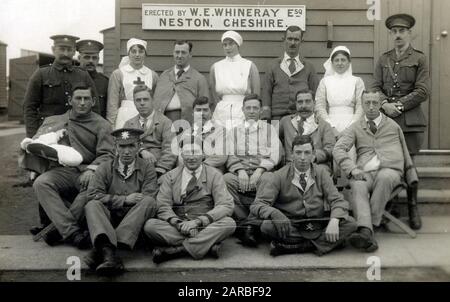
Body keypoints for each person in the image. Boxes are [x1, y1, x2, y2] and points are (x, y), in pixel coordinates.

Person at [29, 85, 115, 248]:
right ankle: (71, 233)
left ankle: (58, 230)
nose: (82, 103)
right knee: (41, 183)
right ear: (70, 101)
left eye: (86, 99)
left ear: (93, 102)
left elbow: (108, 154)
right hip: (62, 171)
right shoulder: (55, 121)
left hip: (89, 171)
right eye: (78, 98)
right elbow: (37, 144)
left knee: (91, 189)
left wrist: (91, 169)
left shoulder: (102, 124)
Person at [333, 91, 418, 252]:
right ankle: (367, 233)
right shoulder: (356, 127)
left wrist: (410, 173)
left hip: (391, 169)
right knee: (357, 185)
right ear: (362, 105)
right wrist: (352, 169)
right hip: (365, 171)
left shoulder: (393, 126)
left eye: (374, 103)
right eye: (367, 103)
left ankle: (366, 227)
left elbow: (405, 151)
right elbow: (338, 149)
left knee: (385, 177)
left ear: (380, 104)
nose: (371, 107)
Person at [251, 135, 357, 256]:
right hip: (291, 224)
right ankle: (325, 243)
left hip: (317, 222)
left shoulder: (321, 173)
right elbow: (257, 204)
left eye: (307, 153)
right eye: (298, 152)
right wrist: (274, 213)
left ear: (313, 155)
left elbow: (337, 200)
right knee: (267, 226)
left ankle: (295, 247)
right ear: (291, 155)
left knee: (350, 223)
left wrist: (334, 221)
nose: (302, 158)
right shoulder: (279, 175)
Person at [370, 14, 429, 230]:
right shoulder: (384, 59)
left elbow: (423, 91)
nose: (398, 35)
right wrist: (384, 104)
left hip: (410, 121)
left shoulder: (420, 59)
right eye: (394, 31)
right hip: (387, 121)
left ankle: (412, 207)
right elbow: (375, 86)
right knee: (389, 163)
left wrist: (399, 106)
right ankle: (391, 206)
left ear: (409, 33)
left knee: (409, 164)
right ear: (390, 34)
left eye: (402, 31)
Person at [144, 138, 236, 264]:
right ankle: (206, 245)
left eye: (195, 152)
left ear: (203, 154)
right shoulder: (171, 176)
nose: (191, 157)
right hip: (179, 226)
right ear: (181, 155)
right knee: (150, 226)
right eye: (187, 153)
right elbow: (163, 205)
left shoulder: (214, 175)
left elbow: (225, 205)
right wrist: (179, 224)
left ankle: (176, 251)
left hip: (204, 225)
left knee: (229, 223)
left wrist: (198, 222)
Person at [84, 128, 157, 276]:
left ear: (138, 147)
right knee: (92, 205)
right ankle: (110, 255)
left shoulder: (147, 167)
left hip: (134, 221)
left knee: (149, 201)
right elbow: (92, 195)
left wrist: (118, 201)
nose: (127, 151)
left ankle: (105, 249)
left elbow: (148, 195)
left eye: (131, 146)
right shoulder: (105, 167)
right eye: (122, 146)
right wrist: (123, 200)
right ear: (115, 147)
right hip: (109, 219)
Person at [223, 94, 282, 246]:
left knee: (270, 179)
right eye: (248, 108)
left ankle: (251, 225)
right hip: (240, 173)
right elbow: (229, 154)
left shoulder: (270, 130)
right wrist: (240, 171)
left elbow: (275, 154)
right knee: (226, 180)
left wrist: (260, 170)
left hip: (261, 174)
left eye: (255, 108)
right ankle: (245, 224)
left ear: (261, 111)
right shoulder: (234, 132)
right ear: (242, 110)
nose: (251, 111)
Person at [23, 34, 98, 138]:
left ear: (74, 51)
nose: (66, 54)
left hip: (77, 132)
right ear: (53, 50)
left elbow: (94, 107)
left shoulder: (83, 75)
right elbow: (29, 107)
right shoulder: (41, 74)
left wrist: (92, 132)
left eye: (69, 50)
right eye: (62, 49)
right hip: (48, 132)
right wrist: (32, 136)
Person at [261, 26, 320, 121]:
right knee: (274, 136)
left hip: (302, 117)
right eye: (290, 39)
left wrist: (314, 116)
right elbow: (266, 93)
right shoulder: (273, 66)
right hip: (276, 117)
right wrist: (266, 117)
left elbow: (316, 94)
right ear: (284, 39)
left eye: (296, 39)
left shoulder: (309, 67)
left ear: (301, 41)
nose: (292, 43)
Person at [123, 85, 177, 178]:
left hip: (158, 169)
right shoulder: (129, 124)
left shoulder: (165, 122)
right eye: (138, 100)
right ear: (134, 103)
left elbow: (171, 149)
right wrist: (141, 151)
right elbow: (123, 147)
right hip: (133, 169)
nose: (142, 103)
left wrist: (161, 169)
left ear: (152, 100)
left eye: (145, 99)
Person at [210, 31, 260, 129]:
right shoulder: (216, 67)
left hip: (242, 110)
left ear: (237, 45)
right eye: (225, 45)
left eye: (231, 44)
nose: (227, 47)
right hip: (221, 112)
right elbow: (213, 93)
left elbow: (256, 94)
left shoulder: (249, 65)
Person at [107, 38, 159, 129]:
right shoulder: (118, 74)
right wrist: (111, 125)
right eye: (134, 51)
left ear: (145, 54)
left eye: (141, 51)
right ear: (128, 53)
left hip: (147, 116)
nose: (137, 55)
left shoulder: (152, 75)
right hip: (125, 116)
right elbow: (112, 103)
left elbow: (156, 101)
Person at [154, 40, 210, 124]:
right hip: (164, 122)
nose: (179, 56)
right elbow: (156, 101)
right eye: (177, 52)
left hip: (188, 122)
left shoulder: (199, 78)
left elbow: (204, 107)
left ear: (190, 55)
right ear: (173, 53)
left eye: (183, 52)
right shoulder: (164, 76)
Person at [315, 45, 364, 139]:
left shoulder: (357, 81)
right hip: (330, 124)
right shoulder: (325, 81)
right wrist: (331, 127)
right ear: (332, 63)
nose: (340, 63)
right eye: (336, 60)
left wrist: (349, 128)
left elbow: (360, 107)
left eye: (343, 60)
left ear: (349, 62)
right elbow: (320, 106)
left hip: (351, 125)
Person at [175, 96, 234, 172]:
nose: (201, 113)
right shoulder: (186, 133)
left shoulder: (220, 131)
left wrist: (197, 166)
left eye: (205, 110)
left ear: (211, 113)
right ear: (193, 113)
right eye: (198, 110)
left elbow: (220, 157)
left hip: (212, 171)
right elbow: (180, 158)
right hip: (189, 171)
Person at [279, 90, 335, 170]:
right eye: (300, 102)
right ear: (296, 104)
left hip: (316, 166)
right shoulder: (285, 122)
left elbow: (331, 148)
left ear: (314, 103)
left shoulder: (324, 125)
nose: (303, 106)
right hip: (290, 167)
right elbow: (272, 140)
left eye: (308, 102)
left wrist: (315, 156)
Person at [76, 39, 109, 118]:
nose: (91, 61)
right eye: (87, 57)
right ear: (79, 58)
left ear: (98, 60)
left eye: (94, 58)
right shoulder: (71, 77)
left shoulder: (105, 82)